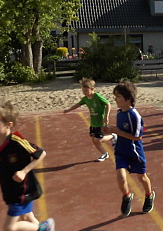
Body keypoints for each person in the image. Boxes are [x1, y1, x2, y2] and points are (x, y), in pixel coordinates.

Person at [0, 102, 56, 231]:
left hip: (23, 190)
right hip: (8, 190)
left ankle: (44, 228)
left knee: (9, 227)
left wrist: (24, 171)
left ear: (9, 124)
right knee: (27, 218)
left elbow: (41, 154)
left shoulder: (17, 141)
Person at [102, 81, 155, 216]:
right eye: (115, 96)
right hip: (121, 150)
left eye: (118, 96)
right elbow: (120, 131)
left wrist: (117, 131)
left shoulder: (134, 115)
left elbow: (138, 137)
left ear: (128, 98)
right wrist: (111, 130)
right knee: (120, 177)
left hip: (134, 152)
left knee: (141, 177)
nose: (115, 99)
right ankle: (126, 196)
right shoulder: (120, 113)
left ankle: (149, 195)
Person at [63, 77, 115, 162]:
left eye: (86, 90)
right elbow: (78, 105)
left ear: (92, 89)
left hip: (101, 122)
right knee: (94, 140)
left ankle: (113, 136)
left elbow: (108, 104)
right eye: (83, 90)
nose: (84, 92)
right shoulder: (85, 99)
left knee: (98, 140)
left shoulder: (97, 96)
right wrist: (69, 110)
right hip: (93, 123)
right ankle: (104, 153)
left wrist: (106, 116)